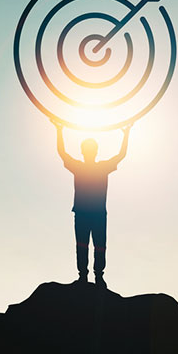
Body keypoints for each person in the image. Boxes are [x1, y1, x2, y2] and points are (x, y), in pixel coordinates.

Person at [54, 120, 131, 285]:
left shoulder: (91, 167)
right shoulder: (89, 167)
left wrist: (59, 131)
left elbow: (62, 153)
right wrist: (126, 135)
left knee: (95, 245)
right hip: (89, 213)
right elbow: (62, 153)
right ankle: (88, 275)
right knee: (88, 245)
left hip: (92, 213)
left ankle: (95, 276)